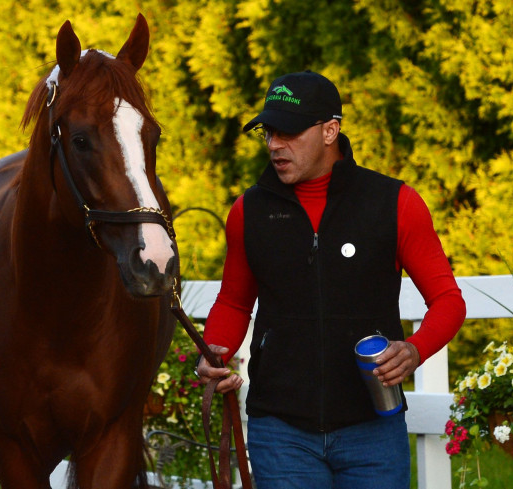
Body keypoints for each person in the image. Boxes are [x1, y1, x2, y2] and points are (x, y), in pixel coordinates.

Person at [195, 70, 466, 489]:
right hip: (280, 431)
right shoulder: (249, 211)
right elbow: (233, 303)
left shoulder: (396, 202)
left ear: (330, 131)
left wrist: (414, 351)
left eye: (287, 132)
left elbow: (448, 300)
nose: (273, 145)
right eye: (268, 132)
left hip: (373, 429)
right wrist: (215, 353)